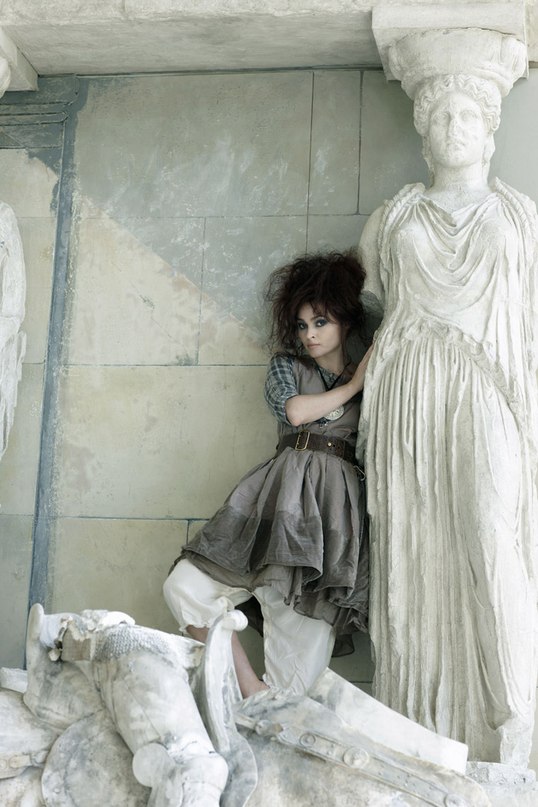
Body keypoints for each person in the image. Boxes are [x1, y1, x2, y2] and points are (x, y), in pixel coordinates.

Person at [357, 30, 538, 766]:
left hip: (487, 388)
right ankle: (419, 723)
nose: (455, 126)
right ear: (424, 133)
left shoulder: (520, 217)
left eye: (468, 114)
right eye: (441, 116)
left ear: (490, 131)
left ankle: (513, 715)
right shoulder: (392, 220)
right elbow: (373, 307)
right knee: (414, 546)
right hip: (408, 396)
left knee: (494, 535)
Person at [164, 251, 372, 698]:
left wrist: (363, 382)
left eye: (320, 322)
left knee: (297, 683)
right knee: (184, 587)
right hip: (276, 503)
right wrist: (354, 386)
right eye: (302, 325)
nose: (309, 334)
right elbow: (295, 412)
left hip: (330, 519)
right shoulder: (287, 367)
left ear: (345, 322)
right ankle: (250, 691)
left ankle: (268, 711)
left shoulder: (373, 381)